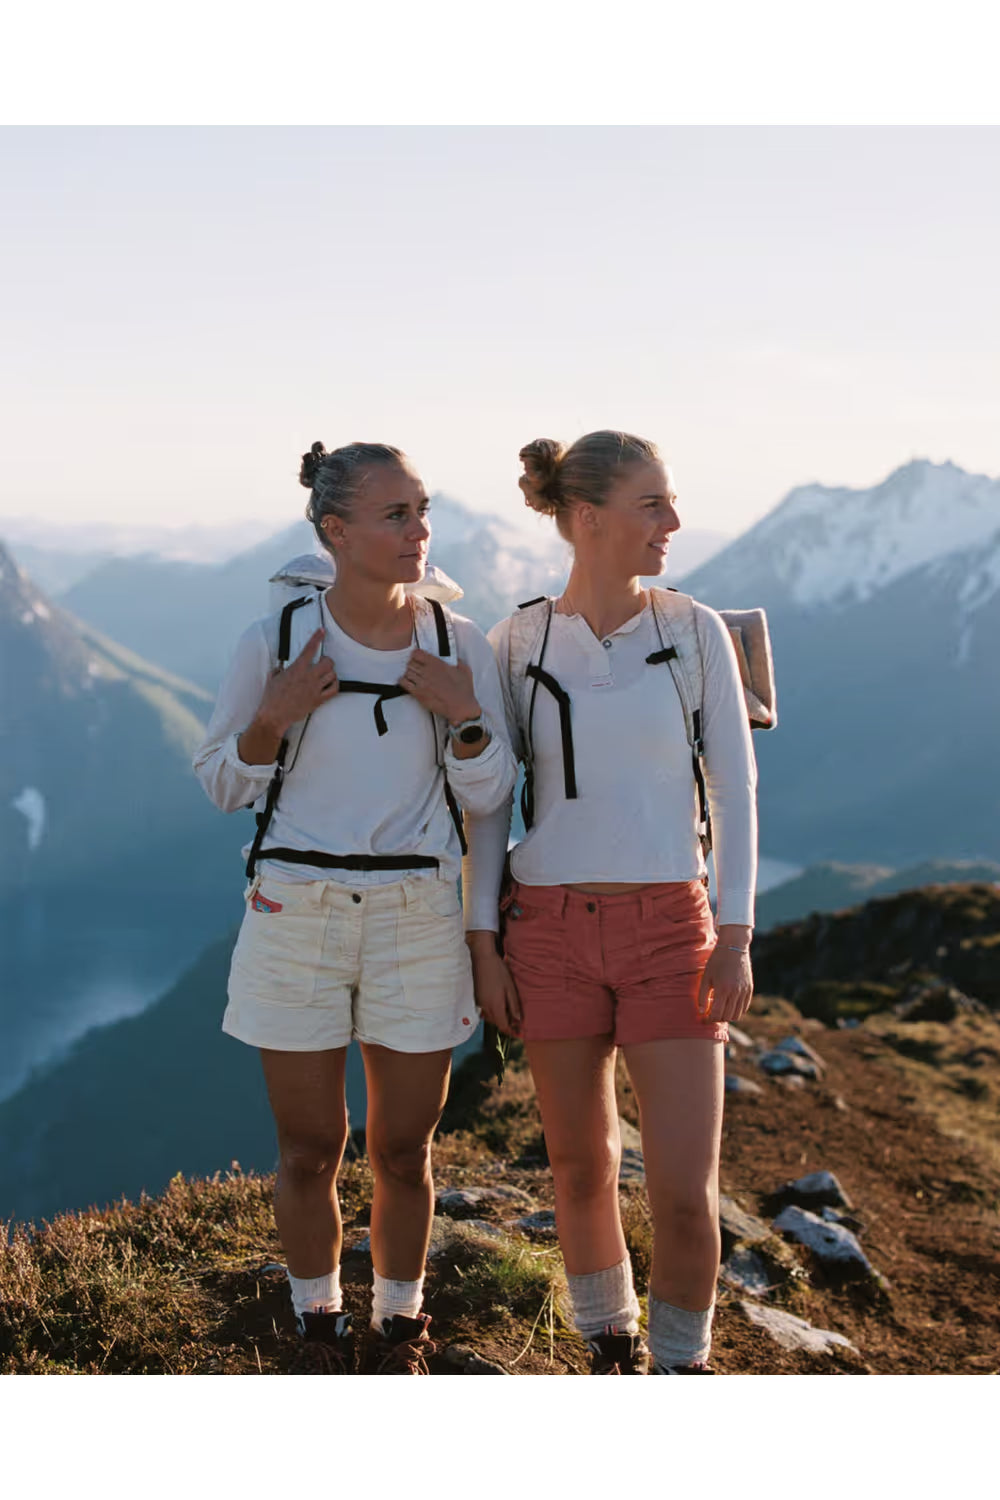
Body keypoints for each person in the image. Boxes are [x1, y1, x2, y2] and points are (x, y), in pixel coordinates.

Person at [194, 440, 516, 1374]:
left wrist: (461, 713)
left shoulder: (459, 647)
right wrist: (272, 717)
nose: (421, 532)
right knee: (307, 1147)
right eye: (396, 515)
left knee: (405, 1149)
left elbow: (494, 793)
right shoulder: (274, 647)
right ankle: (318, 1325)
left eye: (422, 511)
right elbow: (222, 784)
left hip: (418, 912)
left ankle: (399, 1326)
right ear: (335, 531)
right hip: (296, 907)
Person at [463, 431, 757, 1375]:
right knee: (579, 1171)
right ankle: (611, 1354)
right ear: (587, 519)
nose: (673, 522)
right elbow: (487, 805)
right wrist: (484, 943)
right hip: (544, 932)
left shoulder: (696, 630)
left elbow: (738, 789)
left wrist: (737, 927)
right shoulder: (517, 640)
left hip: (673, 930)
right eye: (653, 505)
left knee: (684, 1192)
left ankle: (682, 1368)